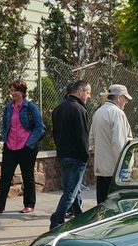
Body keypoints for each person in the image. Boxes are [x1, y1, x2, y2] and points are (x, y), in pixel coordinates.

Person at [0, 79, 45, 214]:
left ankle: (29, 204)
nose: (13, 93)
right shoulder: (8, 107)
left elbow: (40, 127)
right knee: (5, 176)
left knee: (27, 176)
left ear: (23, 92)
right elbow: (6, 125)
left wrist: (29, 142)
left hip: (26, 147)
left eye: (16, 91)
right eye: (12, 90)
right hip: (10, 146)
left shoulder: (30, 107)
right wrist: (5, 139)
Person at [50, 80, 92, 230]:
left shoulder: (59, 108)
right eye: (88, 93)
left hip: (62, 154)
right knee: (70, 192)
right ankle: (56, 221)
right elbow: (82, 137)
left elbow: (55, 133)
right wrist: (85, 156)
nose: (89, 96)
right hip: (75, 157)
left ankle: (79, 218)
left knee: (73, 189)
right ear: (80, 91)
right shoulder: (79, 110)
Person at [89, 84, 133, 204]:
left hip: (101, 168)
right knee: (117, 204)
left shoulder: (98, 112)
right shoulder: (117, 113)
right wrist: (125, 167)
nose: (126, 102)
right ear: (119, 97)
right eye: (125, 99)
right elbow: (119, 143)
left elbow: (91, 140)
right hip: (115, 169)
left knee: (102, 203)